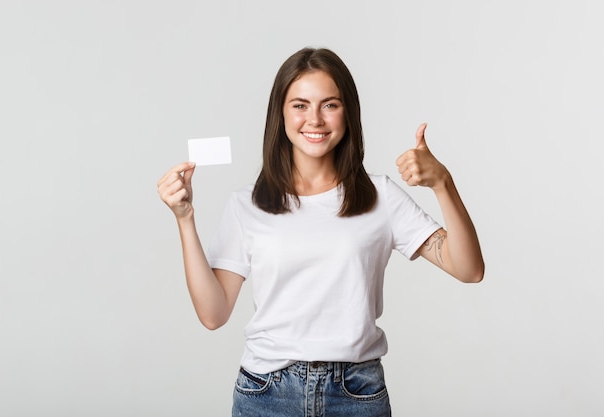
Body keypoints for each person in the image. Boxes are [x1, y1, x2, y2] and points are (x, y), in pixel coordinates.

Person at [157, 47, 484, 417]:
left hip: (356, 393)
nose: (314, 119)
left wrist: (443, 182)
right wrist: (184, 218)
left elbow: (469, 269)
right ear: (280, 114)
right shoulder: (247, 204)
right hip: (267, 394)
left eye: (329, 104)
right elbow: (213, 314)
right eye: (299, 105)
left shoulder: (381, 197)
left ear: (348, 113)